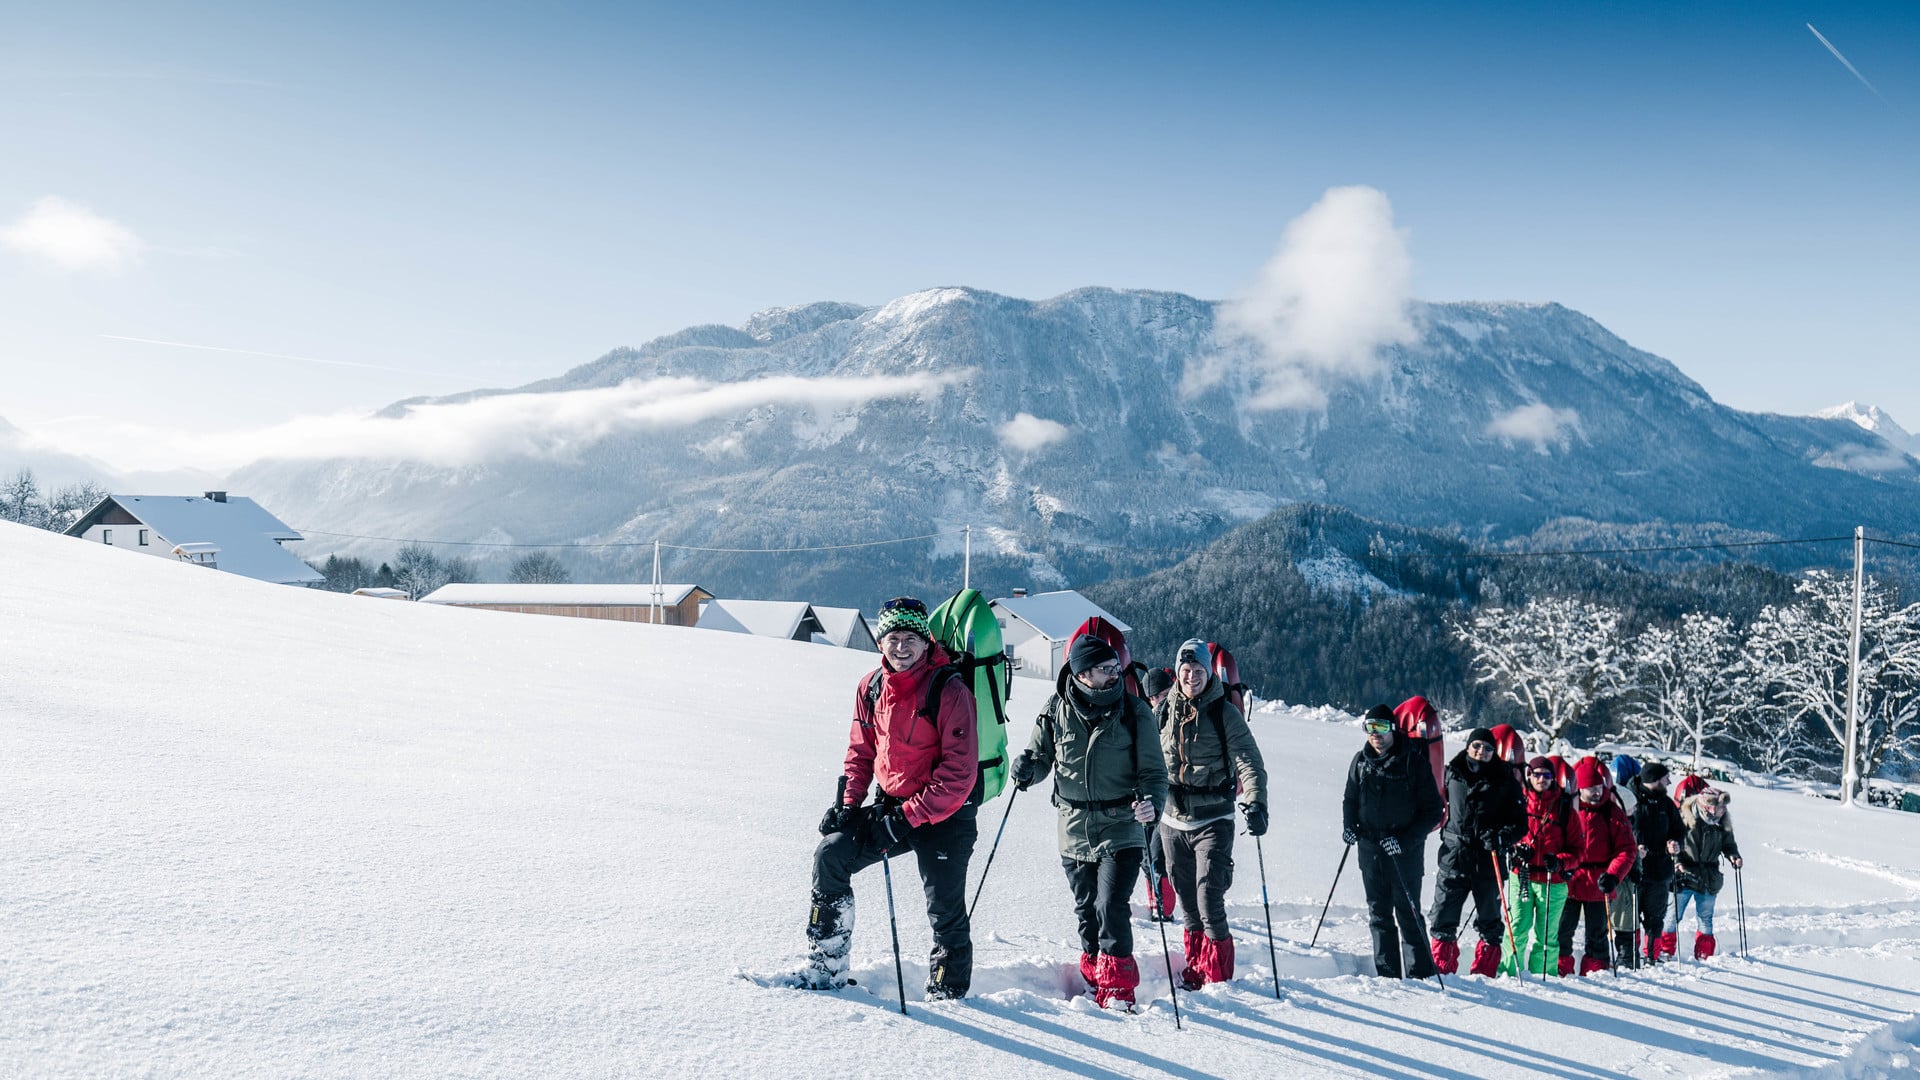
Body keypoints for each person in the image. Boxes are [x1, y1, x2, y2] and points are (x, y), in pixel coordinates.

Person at [796, 597, 980, 998]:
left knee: (944, 909)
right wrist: (847, 805)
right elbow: (861, 752)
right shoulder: (871, 686)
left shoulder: (949, 689)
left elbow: (958, 774)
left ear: (925, 642)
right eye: (893, 637)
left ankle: (949, 994)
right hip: (892, 806)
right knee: (831, 854)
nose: (901, 646)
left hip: (946, 815)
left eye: (910, 637)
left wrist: (904, 820)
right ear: (881, 641)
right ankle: (826, 967)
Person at [1009, 636, 1168, 1009]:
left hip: (1122, 825)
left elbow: (1154, 774)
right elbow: (1040, 757)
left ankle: (1118, 991)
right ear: (1081, 673)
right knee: (1086, 912)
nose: (1115, 674)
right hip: (1074, 829)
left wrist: (1151, 805)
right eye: (1106, 669)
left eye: (1117, 667)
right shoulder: (1055, 709)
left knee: (1111, 905)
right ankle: (1095, 979)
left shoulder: (1134, 711)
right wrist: (1026, 770)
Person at [1157, 638, 1268, 989]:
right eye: (1185, 671)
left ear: (1208, 672)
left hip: (1214, 818)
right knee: (1187, 901)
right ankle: (1195, 969)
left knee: (1209, 897)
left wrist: (1256, 800)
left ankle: (1218, 978)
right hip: (1172, 820)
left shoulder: (1224, 712)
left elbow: (1249, 760)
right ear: (1177, 672)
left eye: (1198, 671)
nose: (1191, 677)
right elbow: (1147, 757)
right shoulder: (1163, 709)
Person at [1342, 703, 1444, 979]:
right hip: (1370, 850)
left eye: (1382, 727)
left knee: (1409, 913)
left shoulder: (1413, 761)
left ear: (1393, 729)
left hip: (1405, 853)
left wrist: (1405, 840)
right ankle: (1387, 977)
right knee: (1379, 915)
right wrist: (1349, 826)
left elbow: (1434, 810)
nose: (1375, 734)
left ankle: (1421, 975)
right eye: (1370, 727)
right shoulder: (1360, 761)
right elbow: (1350, 799)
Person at [1427, 727, 1525, 977]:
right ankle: (1443, 972)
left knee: (1490, 922)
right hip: (1454, 856)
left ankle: (1484, 975)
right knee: (1443, 917)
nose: (1482, 752)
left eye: (1488, 748)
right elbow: (1434, 804)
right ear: (1468, 746)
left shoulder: (1505, 779)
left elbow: (1520, 823)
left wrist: (1502, 836)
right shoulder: (1451, 772)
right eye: (1477, 746)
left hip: (1488, 859)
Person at [1556, 757, 1637, 976]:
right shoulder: (1567, 810)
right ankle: (1561, 970)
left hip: (1599, 882)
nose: (1597, 792)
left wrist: (1613, 875)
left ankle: (1595, 972)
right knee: (1562, 930)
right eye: (1590, 788)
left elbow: (1627, 849)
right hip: (1570, 879)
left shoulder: (1613, 812)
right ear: (1579, 789)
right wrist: (1560, 863)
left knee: (1597, 934)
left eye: (1599, 787)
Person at [1502, 756, 1575, 976]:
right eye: (1537, 774)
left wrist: (1560, 860)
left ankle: (1544, 977)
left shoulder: (1564, 808)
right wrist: (1515, 850)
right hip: (1521, 875)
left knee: (1547, 935)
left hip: (1552, 880)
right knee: (1517, 928)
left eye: (1546, 775)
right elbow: (1505, 834)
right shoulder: (1517, 802)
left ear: (1553, 778)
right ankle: (1508, 973)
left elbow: (1579, 849)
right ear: (1529, 776)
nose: (1541, 779)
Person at [1663, 786, 1743, 959]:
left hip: (1709, 877)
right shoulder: (1684, 818)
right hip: (1684, 875)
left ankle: (1704, 954)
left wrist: (1734, 856)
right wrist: (1677, 862)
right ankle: (1664, 951)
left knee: (1705, 919)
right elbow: (1671, 843)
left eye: (1724, 806)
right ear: (1708, 806)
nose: (1724, 810)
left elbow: (1729, 845)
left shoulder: (1722, 823)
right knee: (1672, 917)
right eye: (1721, 806)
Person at [1630, 761, 1686, 963]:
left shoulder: (1667, 804)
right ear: (1653, 780)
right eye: (1665, 779)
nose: (1669, 782)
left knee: (1656, 918)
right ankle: (1630, 957)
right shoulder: (1631, 799)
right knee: (1631, 918)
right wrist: (1635, 848)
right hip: (1634, 868)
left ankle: (1651, 957)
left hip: (1660, 870)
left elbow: (1679, 831)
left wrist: (1675, 844)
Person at [1141, 666, 1177, 921]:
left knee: (1158, 854)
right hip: (1151, 795)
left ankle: (1164, 907)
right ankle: (1155, 902)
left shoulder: (1179, 714)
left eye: (1164, 693)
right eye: (1155, 697)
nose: (1160, 701)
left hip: (1173, 798)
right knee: (1147, 854)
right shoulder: (1148, 718)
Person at [1606, 755, 1642, 967]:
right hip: (1617, 875)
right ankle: (1625, 957)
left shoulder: (1625, 806)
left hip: (1624, 874)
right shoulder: (1618, 806)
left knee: (1624, 917)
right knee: (1621, 917)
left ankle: (1626, 957)